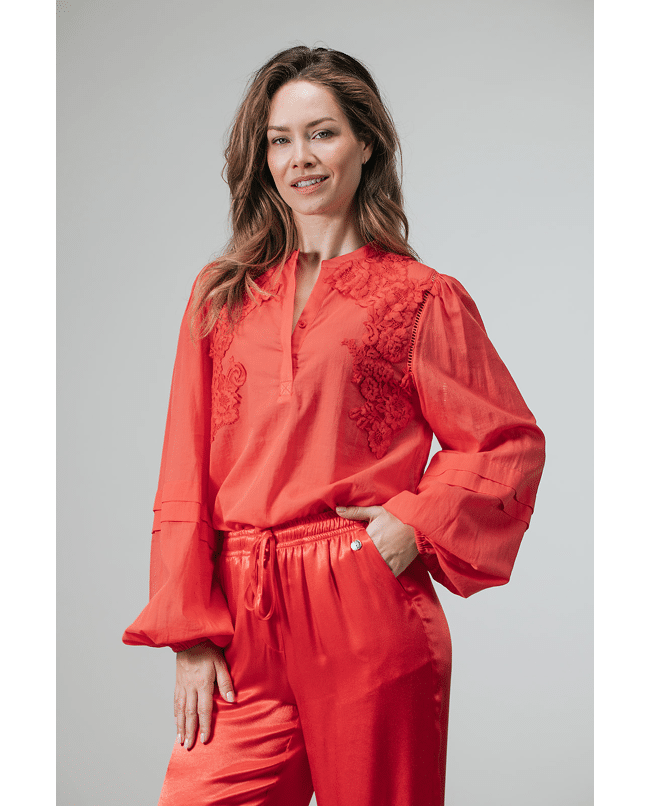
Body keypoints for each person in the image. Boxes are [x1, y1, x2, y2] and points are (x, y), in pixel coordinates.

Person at [123, 45, 545, 806]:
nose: (300, 159)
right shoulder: (220, 296)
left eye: (322, 133)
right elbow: (182, 471)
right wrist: (190, 633)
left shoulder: (421, 297)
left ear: (366, 143)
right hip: (241, 610)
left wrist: (413, 522)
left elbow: (505, 441)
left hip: (363, 600)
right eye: (280, 140)